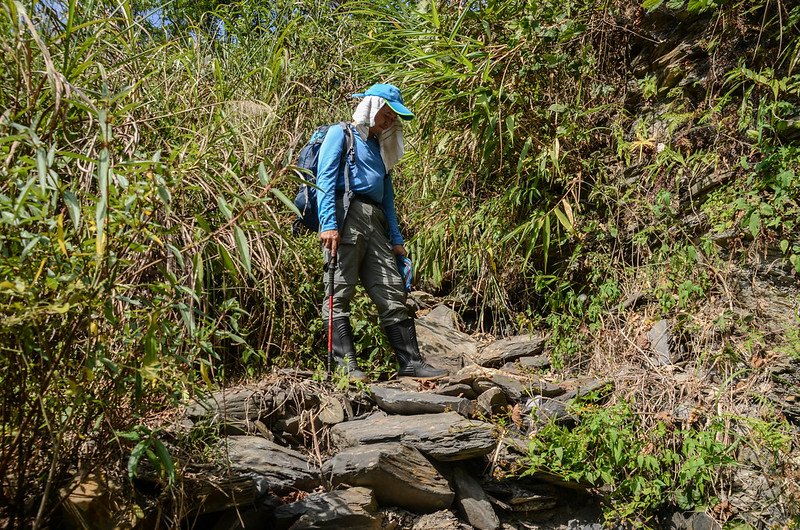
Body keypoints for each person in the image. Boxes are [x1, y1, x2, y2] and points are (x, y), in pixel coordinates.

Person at [315, 83, 447, 381]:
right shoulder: (342, 133)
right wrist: (328, 224)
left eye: (392, 117)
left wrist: (397, 242)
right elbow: (324, 178)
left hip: (375, 222)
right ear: (371, 108)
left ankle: (410, 362)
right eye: (385, 114)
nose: (388, 121)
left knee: (391, 289)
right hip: (345, 214)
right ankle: (346, 368)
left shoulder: (378, 149)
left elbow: (388, 199)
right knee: (338, 289)